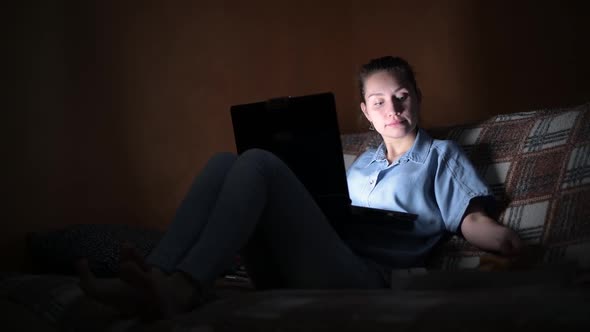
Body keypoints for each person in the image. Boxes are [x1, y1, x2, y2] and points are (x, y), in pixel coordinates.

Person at [77, 56, 523, 320]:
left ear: (417, 98)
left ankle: (181, 286)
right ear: (366, 111)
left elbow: (473, 220)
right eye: (380, 101)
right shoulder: (361, 165)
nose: (393, 108)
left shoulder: (441, 155)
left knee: (257, 161)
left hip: (365, 278)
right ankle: (157, 276)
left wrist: (506, 241)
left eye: (402, 95)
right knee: (221, 163)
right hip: (307, 261)